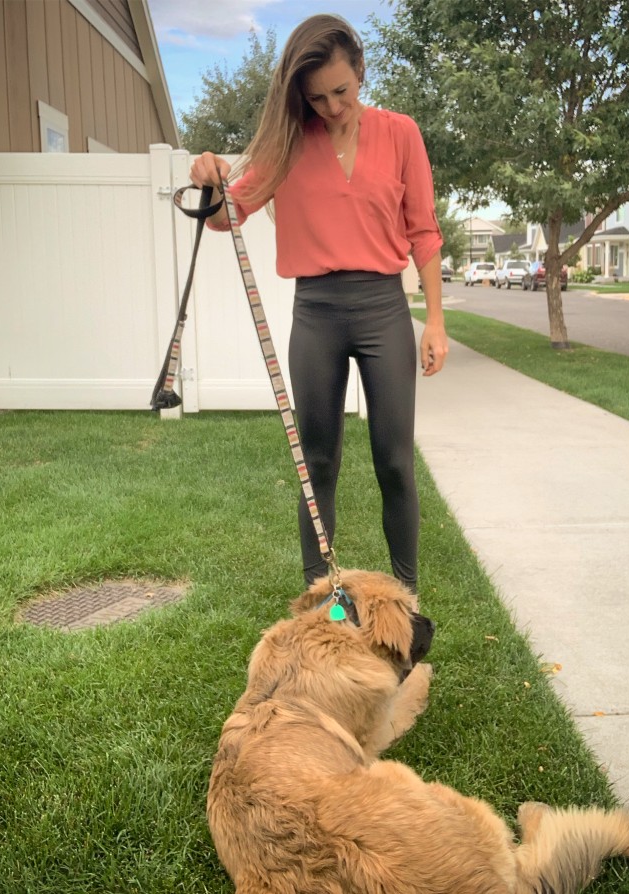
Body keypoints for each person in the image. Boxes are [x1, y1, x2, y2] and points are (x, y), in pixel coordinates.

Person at [190, 14, 448, 594]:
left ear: (359, 72)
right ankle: (319, 599)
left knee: (394, 463)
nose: (332, 107)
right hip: (317, 314)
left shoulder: (401, 133)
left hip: (384, 309)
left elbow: (425, 234)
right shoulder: (287, 143)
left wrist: (434, 320)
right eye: (317, 98)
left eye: (342, 92)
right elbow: (227, 215)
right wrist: (207, 178)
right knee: (318, 467)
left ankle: (404, 599)